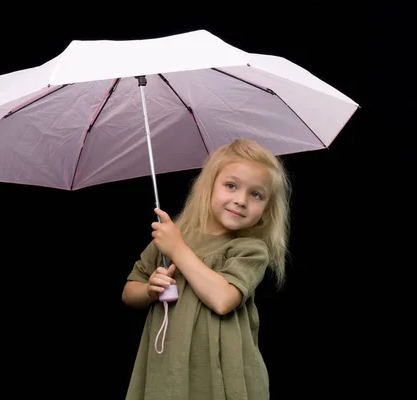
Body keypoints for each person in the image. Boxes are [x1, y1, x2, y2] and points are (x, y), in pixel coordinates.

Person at [121, 138, 291, 400]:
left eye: (256, 194)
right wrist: (149, 289)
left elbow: (223, 300)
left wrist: (178, 249)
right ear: (208, 188)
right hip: (170, 368)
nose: (241, 200)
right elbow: (129, 292)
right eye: (231, 186)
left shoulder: (249, 249)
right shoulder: (171, 238)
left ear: (266, 210)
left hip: (223, 374)